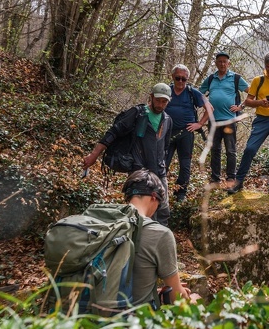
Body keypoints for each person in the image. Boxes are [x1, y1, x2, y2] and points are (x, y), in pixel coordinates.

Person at [83, 83, 173, 225]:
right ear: (151, 97)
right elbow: (113, 132)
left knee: (162, 210)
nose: (160, 104)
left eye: (164, 102)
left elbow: (165, 147)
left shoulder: (168, 120)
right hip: (139, 171)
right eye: (158, 100)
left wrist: (164, 167)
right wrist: (94, 155)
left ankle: (159, 239)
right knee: (139, 212)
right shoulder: (137, 113)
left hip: (159, 172)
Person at [122, 169, 195, 306]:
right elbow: (176, 297)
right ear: (154, 197)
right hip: (135, 322)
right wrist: (192, 299)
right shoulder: (160, 234)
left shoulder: (106, 225)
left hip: (91, 316)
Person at [228, 51, 269, 194]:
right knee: (250, 149)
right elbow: (248, 101)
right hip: (261, 120)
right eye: (268, 67)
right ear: (265, 66)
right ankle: (238, 183)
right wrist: (260, 102)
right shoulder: (258, 80)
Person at [199, 51, 250, 186]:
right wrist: (206, 104)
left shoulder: (235, 78)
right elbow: (199, 94)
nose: (222, 64)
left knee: (230, 150)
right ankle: (215, 179)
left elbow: (252, 93)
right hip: (213, 121)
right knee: (215, 149)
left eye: (224, 61)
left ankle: (230, 178)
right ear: (216, 63)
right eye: (219, 61)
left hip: (229, 120)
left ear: (229, 63)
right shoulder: (211, 79)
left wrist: (241, 106)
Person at [165, 64, 211, 202]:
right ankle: (160, 190)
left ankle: (181, 193)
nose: (180, 82)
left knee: (185, 164)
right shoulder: (166, 90)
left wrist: (200, 123)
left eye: (183, 79)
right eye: (177, 78)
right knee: (162, 162)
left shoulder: (192, 92)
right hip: (167, 132)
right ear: (172, 77)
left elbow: (210, 108)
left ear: (187, 79)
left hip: (186, 133)